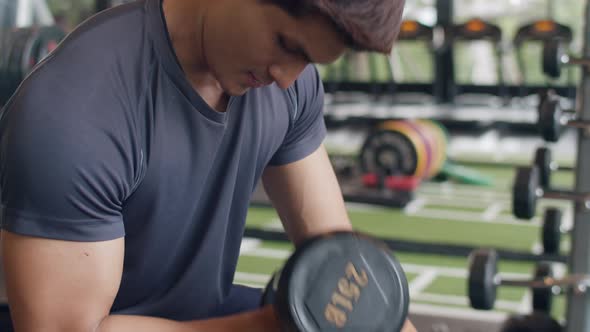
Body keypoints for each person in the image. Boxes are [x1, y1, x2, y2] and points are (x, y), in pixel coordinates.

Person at [0, 0, 415, 330]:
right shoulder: (76, 112)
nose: (287, 77)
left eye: (309, 61)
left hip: (201, 313)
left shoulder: (285, 84)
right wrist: (278, 324)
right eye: (287, 45)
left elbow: (340, 262)